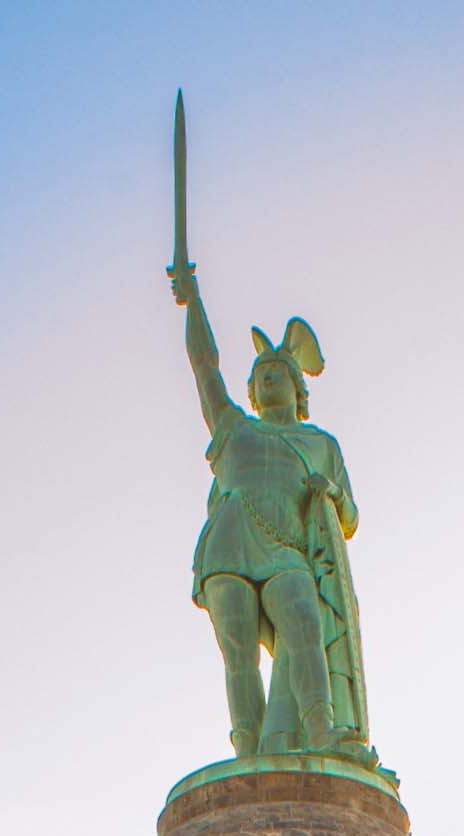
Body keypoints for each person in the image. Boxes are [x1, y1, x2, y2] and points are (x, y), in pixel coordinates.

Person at [170, 264, 371, 761]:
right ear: (252, 390)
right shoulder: (235, 430)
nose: (268, 379)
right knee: (237, 655)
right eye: (260, 375)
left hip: (288, 550)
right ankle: (249, 752)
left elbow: (349, 516)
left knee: (304, 623)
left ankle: (321, 730)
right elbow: (204, 366)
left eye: (277, 372)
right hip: (228, 545)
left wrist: (330, 493)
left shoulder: (321, 445)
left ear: (299, 387)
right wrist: (193, 300)